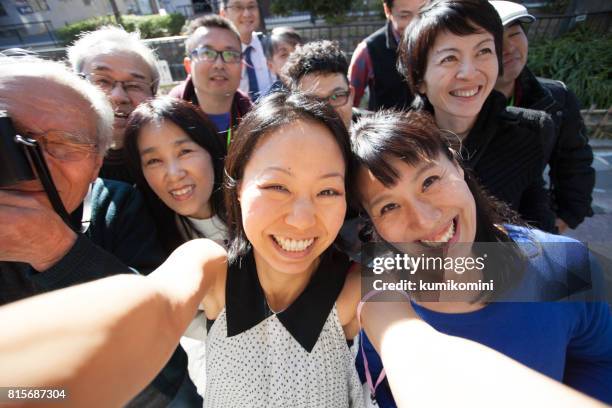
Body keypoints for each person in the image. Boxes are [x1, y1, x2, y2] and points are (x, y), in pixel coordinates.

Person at [350, 109, 612, 406]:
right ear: (372, 224)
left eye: (429, 181)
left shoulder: (563, 264)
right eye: (388, 207)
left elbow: (600, 359)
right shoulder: (362, 298)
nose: (425, 219)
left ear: (457, 164)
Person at [0, 56, 191, 406]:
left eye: (64, 143)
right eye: (9, 135)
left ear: (97, 164)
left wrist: (57, 251)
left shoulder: (116, 206)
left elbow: (164, 373)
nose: (28, 161)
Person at [397, 0, 557, 232]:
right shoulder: (400, 147)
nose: (469, 73)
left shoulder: (530, 132)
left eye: (483, 51)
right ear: (420, 79)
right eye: (449, 58)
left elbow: (537, 217)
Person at [490, 0, 595, 233]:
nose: (509, 48)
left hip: (533, 231)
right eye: (495, 40)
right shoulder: (455, 103)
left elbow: (574, 162)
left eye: (515, 34)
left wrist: (565, 217)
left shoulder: (556, 98)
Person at [124, 96, 228, 254]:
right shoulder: (144, 242)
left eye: (185, 152)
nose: (174, 174)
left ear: (211, 151)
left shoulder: (256, 208)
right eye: (154, 161)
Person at [68, 26, 160, 184]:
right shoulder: (53, 163)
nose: (118, 96)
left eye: (134, 85)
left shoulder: (169, 162)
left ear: (154, 95)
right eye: (102, 81)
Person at [169, 15, 252, 151]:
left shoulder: (254, 122)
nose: (219, 64)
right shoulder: (167, 120)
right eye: (207, 53)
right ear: (188, 65)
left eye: (230, 54)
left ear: (241, 67)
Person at [348, 0, 425, 110]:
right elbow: (348, 102)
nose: (416, 23)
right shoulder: (368, 50)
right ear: (387, 10)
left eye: (423, 14)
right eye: (405, 16)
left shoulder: (439, 43)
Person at [282, 40, 358, 130]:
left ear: (351, 96)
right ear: (294, 107)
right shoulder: (282, 140)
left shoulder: (376, 138)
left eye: (336, 96)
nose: (329, 111)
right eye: (313, 102)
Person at [220, 0, 274, 101]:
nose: (246, 14)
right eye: (238, 7)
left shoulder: (271, 47)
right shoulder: (217, 57)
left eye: (251, 6)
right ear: (224, 14)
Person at [263, 26, 303, 94]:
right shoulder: (273, 101)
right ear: (270, 66)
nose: (294, 57)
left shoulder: (321, 85)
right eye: (284, 54)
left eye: (298, 50)